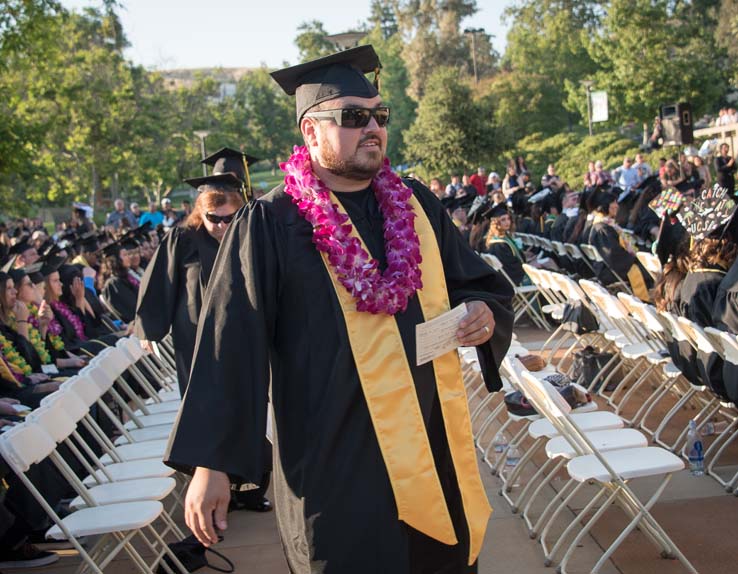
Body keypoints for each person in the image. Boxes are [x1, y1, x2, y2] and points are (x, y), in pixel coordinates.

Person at [167, 46, 513, 574]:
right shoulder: (271, 223)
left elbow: (479, 285)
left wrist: (484, 314)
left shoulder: (416, 205)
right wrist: (211, 463)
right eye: (352, 117)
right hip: (336, 458)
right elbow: (230, 343)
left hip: (431, 444)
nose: (372, 128)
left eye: (380, 116)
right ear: (311, 132)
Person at [483, 204, 528, 285]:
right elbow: (511, 267)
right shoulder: (499, 244)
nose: (507, 222)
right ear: (496, 223)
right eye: (503, 220)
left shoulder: (501, 238)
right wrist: (528, 266)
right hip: (515, 281)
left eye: (508, 219)